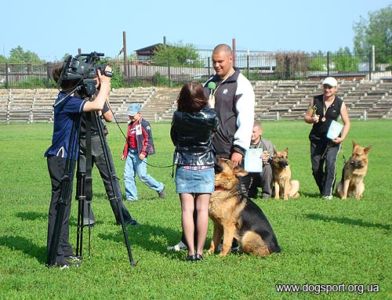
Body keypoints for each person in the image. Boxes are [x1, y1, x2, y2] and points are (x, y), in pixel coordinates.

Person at [168, 43, 255, 252]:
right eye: (214, 61)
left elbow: (246, 119)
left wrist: (239, 149)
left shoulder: (241, 84)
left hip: (227, 151)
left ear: (231, 59)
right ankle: (189, 241)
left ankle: (232, 241)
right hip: (206, 151)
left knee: (229, 201)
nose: (216, 65)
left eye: (220, 62)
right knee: (202, 199)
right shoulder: (210, 82)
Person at [45, 62, 112, 268]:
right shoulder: (67, 100)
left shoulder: (70, 97)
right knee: (59, 207)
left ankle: (63, 250)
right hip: (60, 158)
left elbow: (101, 111)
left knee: (64, 207)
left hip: (66, 157)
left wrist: (97, 86)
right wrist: (106, 83)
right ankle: (55, 256)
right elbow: (98, 106)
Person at [170, 82, 219, 261]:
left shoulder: (178, 116)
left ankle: (190, 252)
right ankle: (199, 251)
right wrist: (211, 107)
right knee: (202, 210)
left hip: (184, 165)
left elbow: (174, 138)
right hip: (205, 166)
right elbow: (216, 129)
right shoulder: (210, 115)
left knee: (186, 210)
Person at [77, 101, 138, 227]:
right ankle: (122, 217)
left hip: (80, 140)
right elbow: (109, 117)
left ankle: (86, 218)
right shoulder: (95, 95)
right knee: (110, 179)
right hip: (96, 140)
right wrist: (105, 99)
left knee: (83, 179)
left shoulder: (75, 94)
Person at [304, 76, 350, 200]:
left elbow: (347, 123)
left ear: (335, 89)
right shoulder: (315, 101)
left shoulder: (340, 103)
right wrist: (311, 119)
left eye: (330, 87)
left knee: (330, 164)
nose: (327, 89)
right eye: (325, 86)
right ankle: (324, 188)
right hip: (316, 139)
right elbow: (306, 117)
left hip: (332, 140)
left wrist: (342, 138)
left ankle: (327, 194)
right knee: (316, 168)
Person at [121, 103, 165, 201]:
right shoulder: (130, 124)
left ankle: (160, 187)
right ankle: (132, 198)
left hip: (140, 153)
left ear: (139, 114)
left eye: (133, 114)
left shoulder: (144, 124)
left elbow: (148, 140)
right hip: (130, 153)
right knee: (127, 176)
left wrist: (143, 153)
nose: (131, 116)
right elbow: (128, 140)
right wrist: (124, 153)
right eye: (129, 114)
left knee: (142, 176)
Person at [247, 121, 274, 199]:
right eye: (250, 132)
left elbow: (273, 159)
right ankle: (250, 191)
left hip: (262, 173)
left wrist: (267, 157)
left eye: (254, 132)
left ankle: (266, 193)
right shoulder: (244, 143)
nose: (251, 134)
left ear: (260, 132)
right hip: (248, 172)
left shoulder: (267, 144)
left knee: (268, 167)